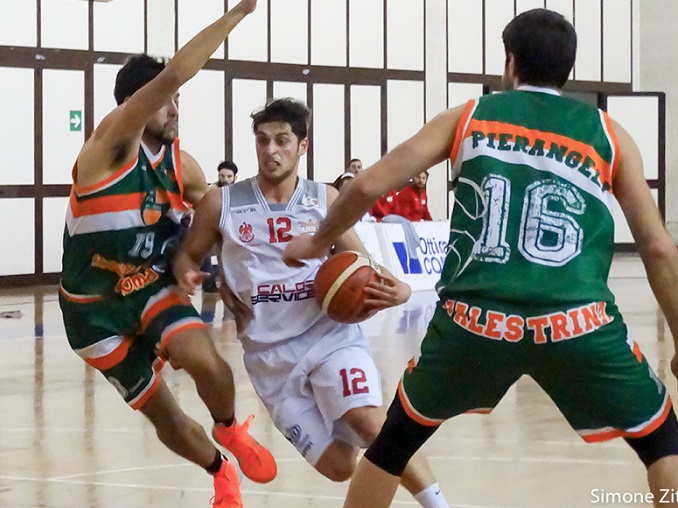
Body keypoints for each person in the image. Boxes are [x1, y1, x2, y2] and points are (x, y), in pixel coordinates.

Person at [284, 9, 678, 508]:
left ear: (510, 62)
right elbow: (657, 245)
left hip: (475, 322)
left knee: (393, 445)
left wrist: (317, 242)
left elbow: (369, 184)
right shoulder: (608, 134)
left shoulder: (470, 116)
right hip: (577, 322)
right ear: (568, 70)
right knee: (661, 443)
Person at [174, 98, 450, 508]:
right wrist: (188, 274)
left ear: (303, 145)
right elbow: (186, 255)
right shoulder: (222, 203)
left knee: (371, 425)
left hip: (330, 337)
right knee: (339, 466)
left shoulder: (325, 199)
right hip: (270, 361)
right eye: (262, 140)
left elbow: (363, 262)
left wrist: (402, 290)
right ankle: (373, 457)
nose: (271, 150)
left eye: (282, 140)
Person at [58, 2, 277, 507]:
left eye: (177, 100)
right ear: (135, 104)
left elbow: (223, 223)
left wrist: (233, 280)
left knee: (209, 365)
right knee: (166, 416)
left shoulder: (186, 168)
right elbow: (176, 70)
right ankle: (220, 471)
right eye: (165, 100)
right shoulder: (107, 148)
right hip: (92, 313)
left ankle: (228, 428)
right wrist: (239, 12)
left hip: (150, 287)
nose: (175, 108)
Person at [202, 160, 240, 293]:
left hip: (231, 228)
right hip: (212, 227)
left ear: (235, 177)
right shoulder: (211, 191)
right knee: (208, 254)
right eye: (222, 176)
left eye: (229, 176)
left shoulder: (238, 192)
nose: (225, 179)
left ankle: (231, 284)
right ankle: (209, 284)